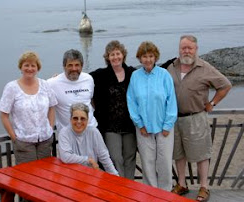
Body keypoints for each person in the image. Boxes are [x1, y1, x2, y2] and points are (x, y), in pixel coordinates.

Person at [161, 35, 232, 202]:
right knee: (178, 154)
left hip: (196, 118)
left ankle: (203, 187)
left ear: (196, 49)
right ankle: (181, 184)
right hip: (174, 119)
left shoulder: (205, 67)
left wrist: (212, 103)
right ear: (179, 49)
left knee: (201, 154)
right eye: (183, 47)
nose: (186, 50)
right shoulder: (170, 67)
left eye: (189, 48)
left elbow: (226, 85)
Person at [127, 41, 177, 191]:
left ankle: (165, 192)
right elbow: (132, 101)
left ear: (155, 57)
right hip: (143, 128)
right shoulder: (135, 76)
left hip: (164, 127)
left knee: (165, 162)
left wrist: (168, 125)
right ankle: (150, 192)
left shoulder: (164, 75)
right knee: (147, 162)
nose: (148, 59)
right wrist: (140, 124)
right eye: (144, 56)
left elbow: (171, 101)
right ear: (139, 58)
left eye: (151, 56)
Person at [0, 51, 58, 165]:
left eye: (33, 65)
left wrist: (49, 127)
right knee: (27, 177)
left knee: (45, 174)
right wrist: (14, 137)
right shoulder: (11, 88)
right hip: (24, 142)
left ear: (37, 68)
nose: (29, 68)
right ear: (21, 67)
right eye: (26, 65)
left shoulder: (45, 85)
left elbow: (52, 107)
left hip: (45, 140)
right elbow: (4, 115)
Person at [90, 40, 137, 179]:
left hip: (130, 124)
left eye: (118, 53)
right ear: (107, 57)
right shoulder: (100, 75)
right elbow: (81, 77)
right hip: (110, 126)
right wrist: (59, 77)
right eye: (112, 54)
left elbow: (150, 73)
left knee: (130, 157)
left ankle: (129, 186)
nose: (115, 57)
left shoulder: (132, 73)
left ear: (123, 55)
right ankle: (119, 187)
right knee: (115, 158)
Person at [58, 103, 118, 175]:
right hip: (70, 174)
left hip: (91, 173)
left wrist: (115, 176)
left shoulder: (94, 132)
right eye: (75, 118)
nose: (79, 122)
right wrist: (88, 160)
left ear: (87, 120)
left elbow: (104, 157)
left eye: (82, 118)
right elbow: (65, 157)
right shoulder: (64, 133)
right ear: (70, 119)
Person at [47, 49, 97, 132]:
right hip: (67, 133)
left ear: (82, 66)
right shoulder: (52, 83)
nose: (74, 69)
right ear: (64, 66)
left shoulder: (89, 79)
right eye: (70, 65)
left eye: (77, 65)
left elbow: (91, 101)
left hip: (91, 129)